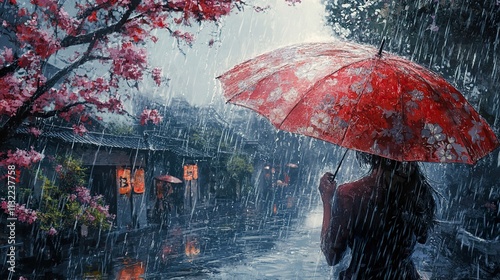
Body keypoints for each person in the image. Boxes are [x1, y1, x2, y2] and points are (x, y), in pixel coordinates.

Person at [319, 152, 436, 279]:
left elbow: (332, 256)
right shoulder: (417, 192)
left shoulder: (351, 194)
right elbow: (422, 237)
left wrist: (327, 201)